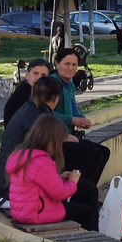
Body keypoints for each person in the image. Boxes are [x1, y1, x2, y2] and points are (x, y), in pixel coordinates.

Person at [7, 111, 99, 230]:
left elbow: (36, 185)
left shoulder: (22, 156)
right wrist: (72, 181)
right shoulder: (42, 162)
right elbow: (60, 194)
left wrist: (58, 178)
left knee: (84, 198)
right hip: (37, 213)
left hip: (22, 212)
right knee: (87, 212)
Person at [0, 74, 64, 206]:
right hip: (10, 192)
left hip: (6, 187)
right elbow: (41, 159)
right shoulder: (37, 117)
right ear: (55, 98)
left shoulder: (30, 108)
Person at [49, 49, 110, 188]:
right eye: (67, 64)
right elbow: (46, 114)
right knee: (84, 151)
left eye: (74, 64)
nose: (70, 68)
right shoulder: (52, 84)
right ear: (57, 63)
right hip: (54, 137)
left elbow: (73, 109)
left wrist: (81, 118)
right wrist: (72, 120)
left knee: (103, 152)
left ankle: (88, 190)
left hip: (69, 134)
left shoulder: (70, 84)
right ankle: (76, 191)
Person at [2, 59, 50, 128]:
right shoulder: (23, 95)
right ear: (27, 75)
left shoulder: (37, 92)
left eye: (43, 75)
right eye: (35, 73)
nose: (39, 78)